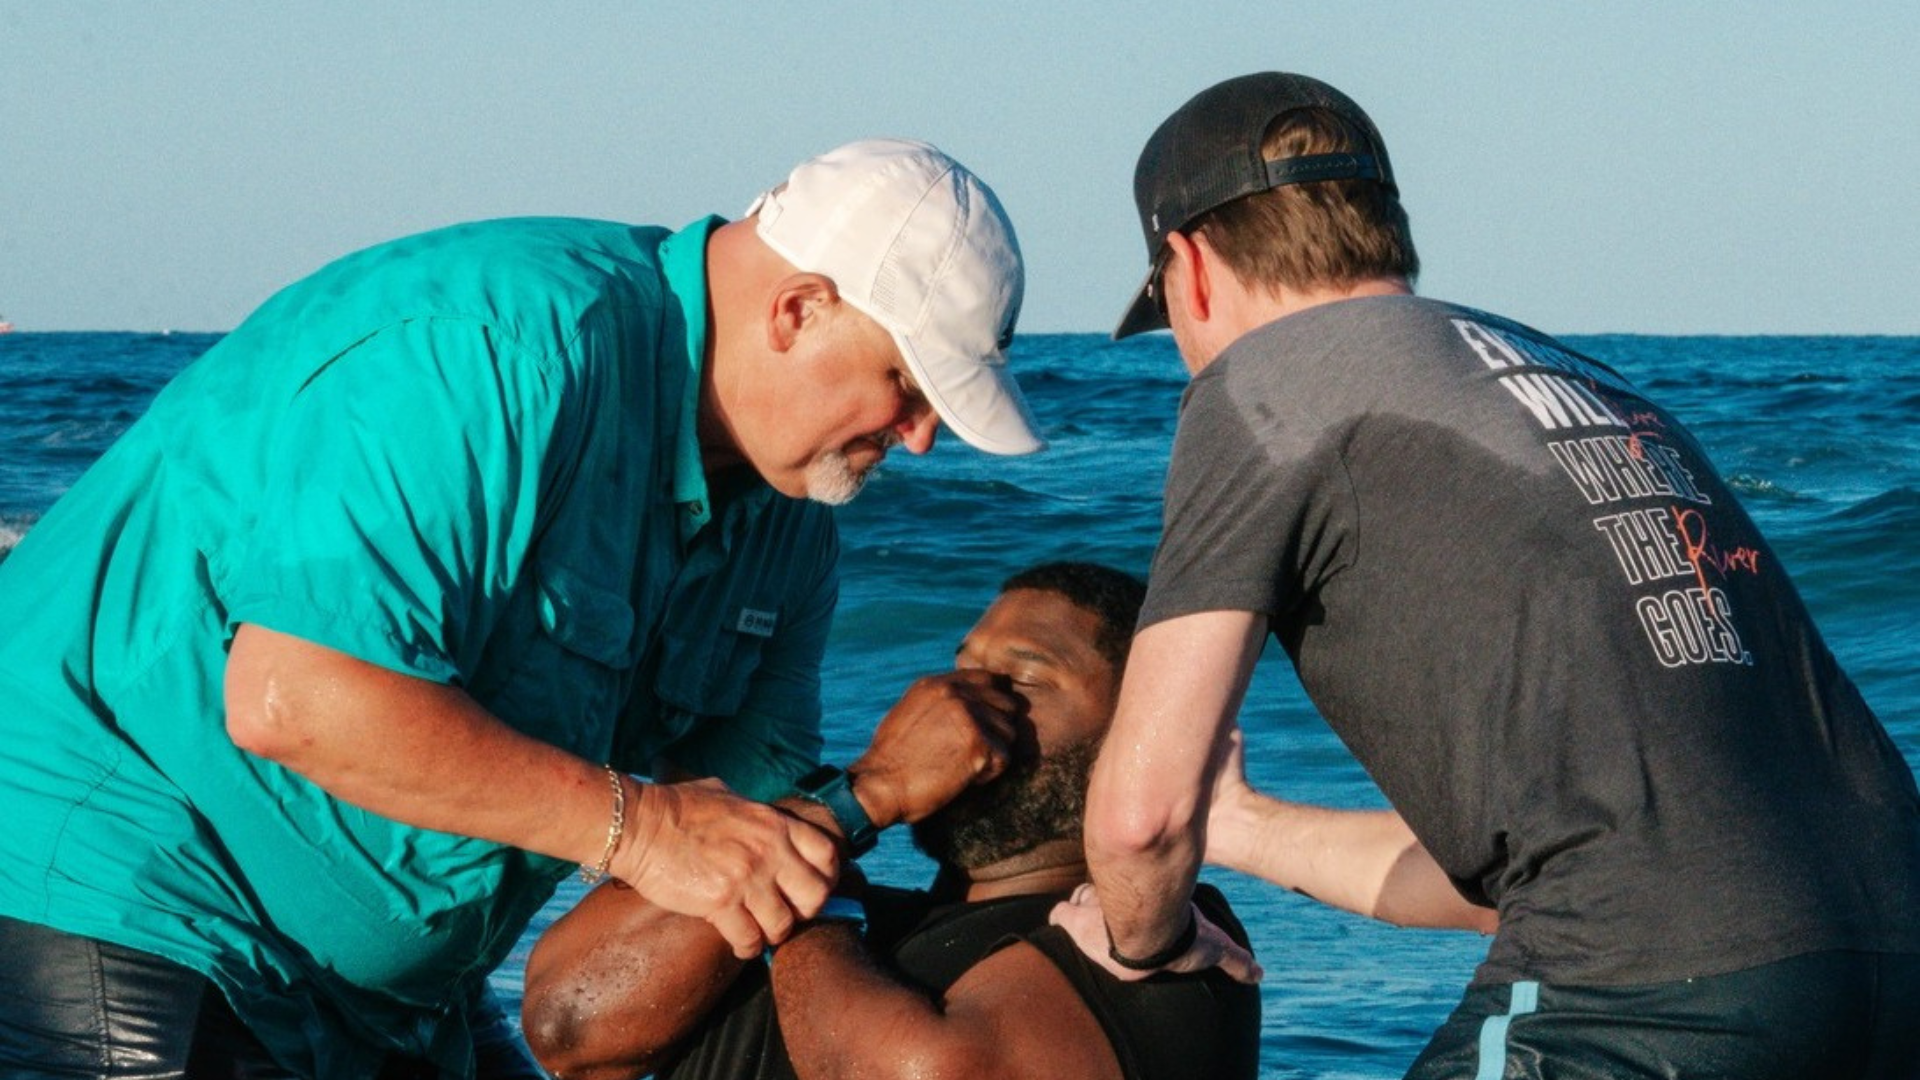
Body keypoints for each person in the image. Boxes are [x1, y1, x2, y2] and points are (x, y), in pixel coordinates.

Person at [0, 138, 1042, 1079]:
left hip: (395, 995)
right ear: (799, 308)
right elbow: (293, 697)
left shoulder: (790, 530)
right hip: (117, 876)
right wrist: (640, 831)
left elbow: (744, 834)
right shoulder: (499, 348)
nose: (918, 441)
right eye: (907, 386)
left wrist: (873, 795)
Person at [1052, 72, 1920, 1079]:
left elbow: (1136, 820)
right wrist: (1242, 829)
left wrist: (1140, 941)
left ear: (1190, 267)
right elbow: (1534, 876)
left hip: (1646, 989)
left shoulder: (1267, 380)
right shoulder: (1583, 386)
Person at [521, 562, 1262, 1080]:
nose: (964, 698)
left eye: (1024, 680)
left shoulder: (1161, 939)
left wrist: (810, 906)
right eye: (962, 667)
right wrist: (860, 797)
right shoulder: (826, 882)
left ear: (1143, 734)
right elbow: (569, 1031)